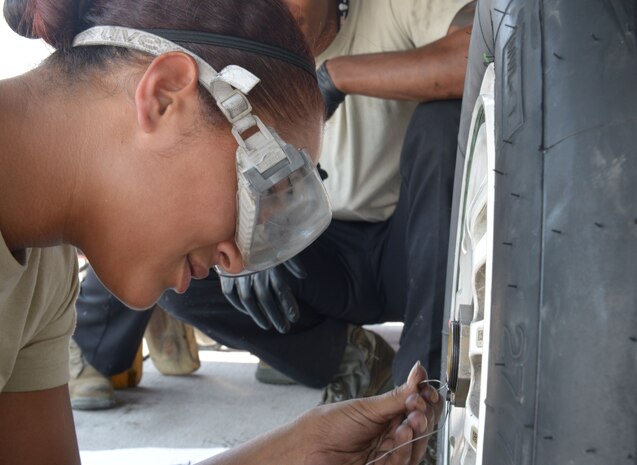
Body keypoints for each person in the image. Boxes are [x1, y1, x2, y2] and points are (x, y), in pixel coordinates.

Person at [0, 0, 443, 464]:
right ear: (165, 95)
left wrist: (294, 452)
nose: (237, 262)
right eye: (260, 187)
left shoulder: (42, 273)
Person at [69, 0, 474, 408]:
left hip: (417, 249)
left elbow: (484, 53)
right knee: (181, 263)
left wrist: (334, 77)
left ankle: (423, 396)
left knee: (443, 123)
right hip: (314, 249)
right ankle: (353, 362)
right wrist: (248, 232)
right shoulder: (243, 38)